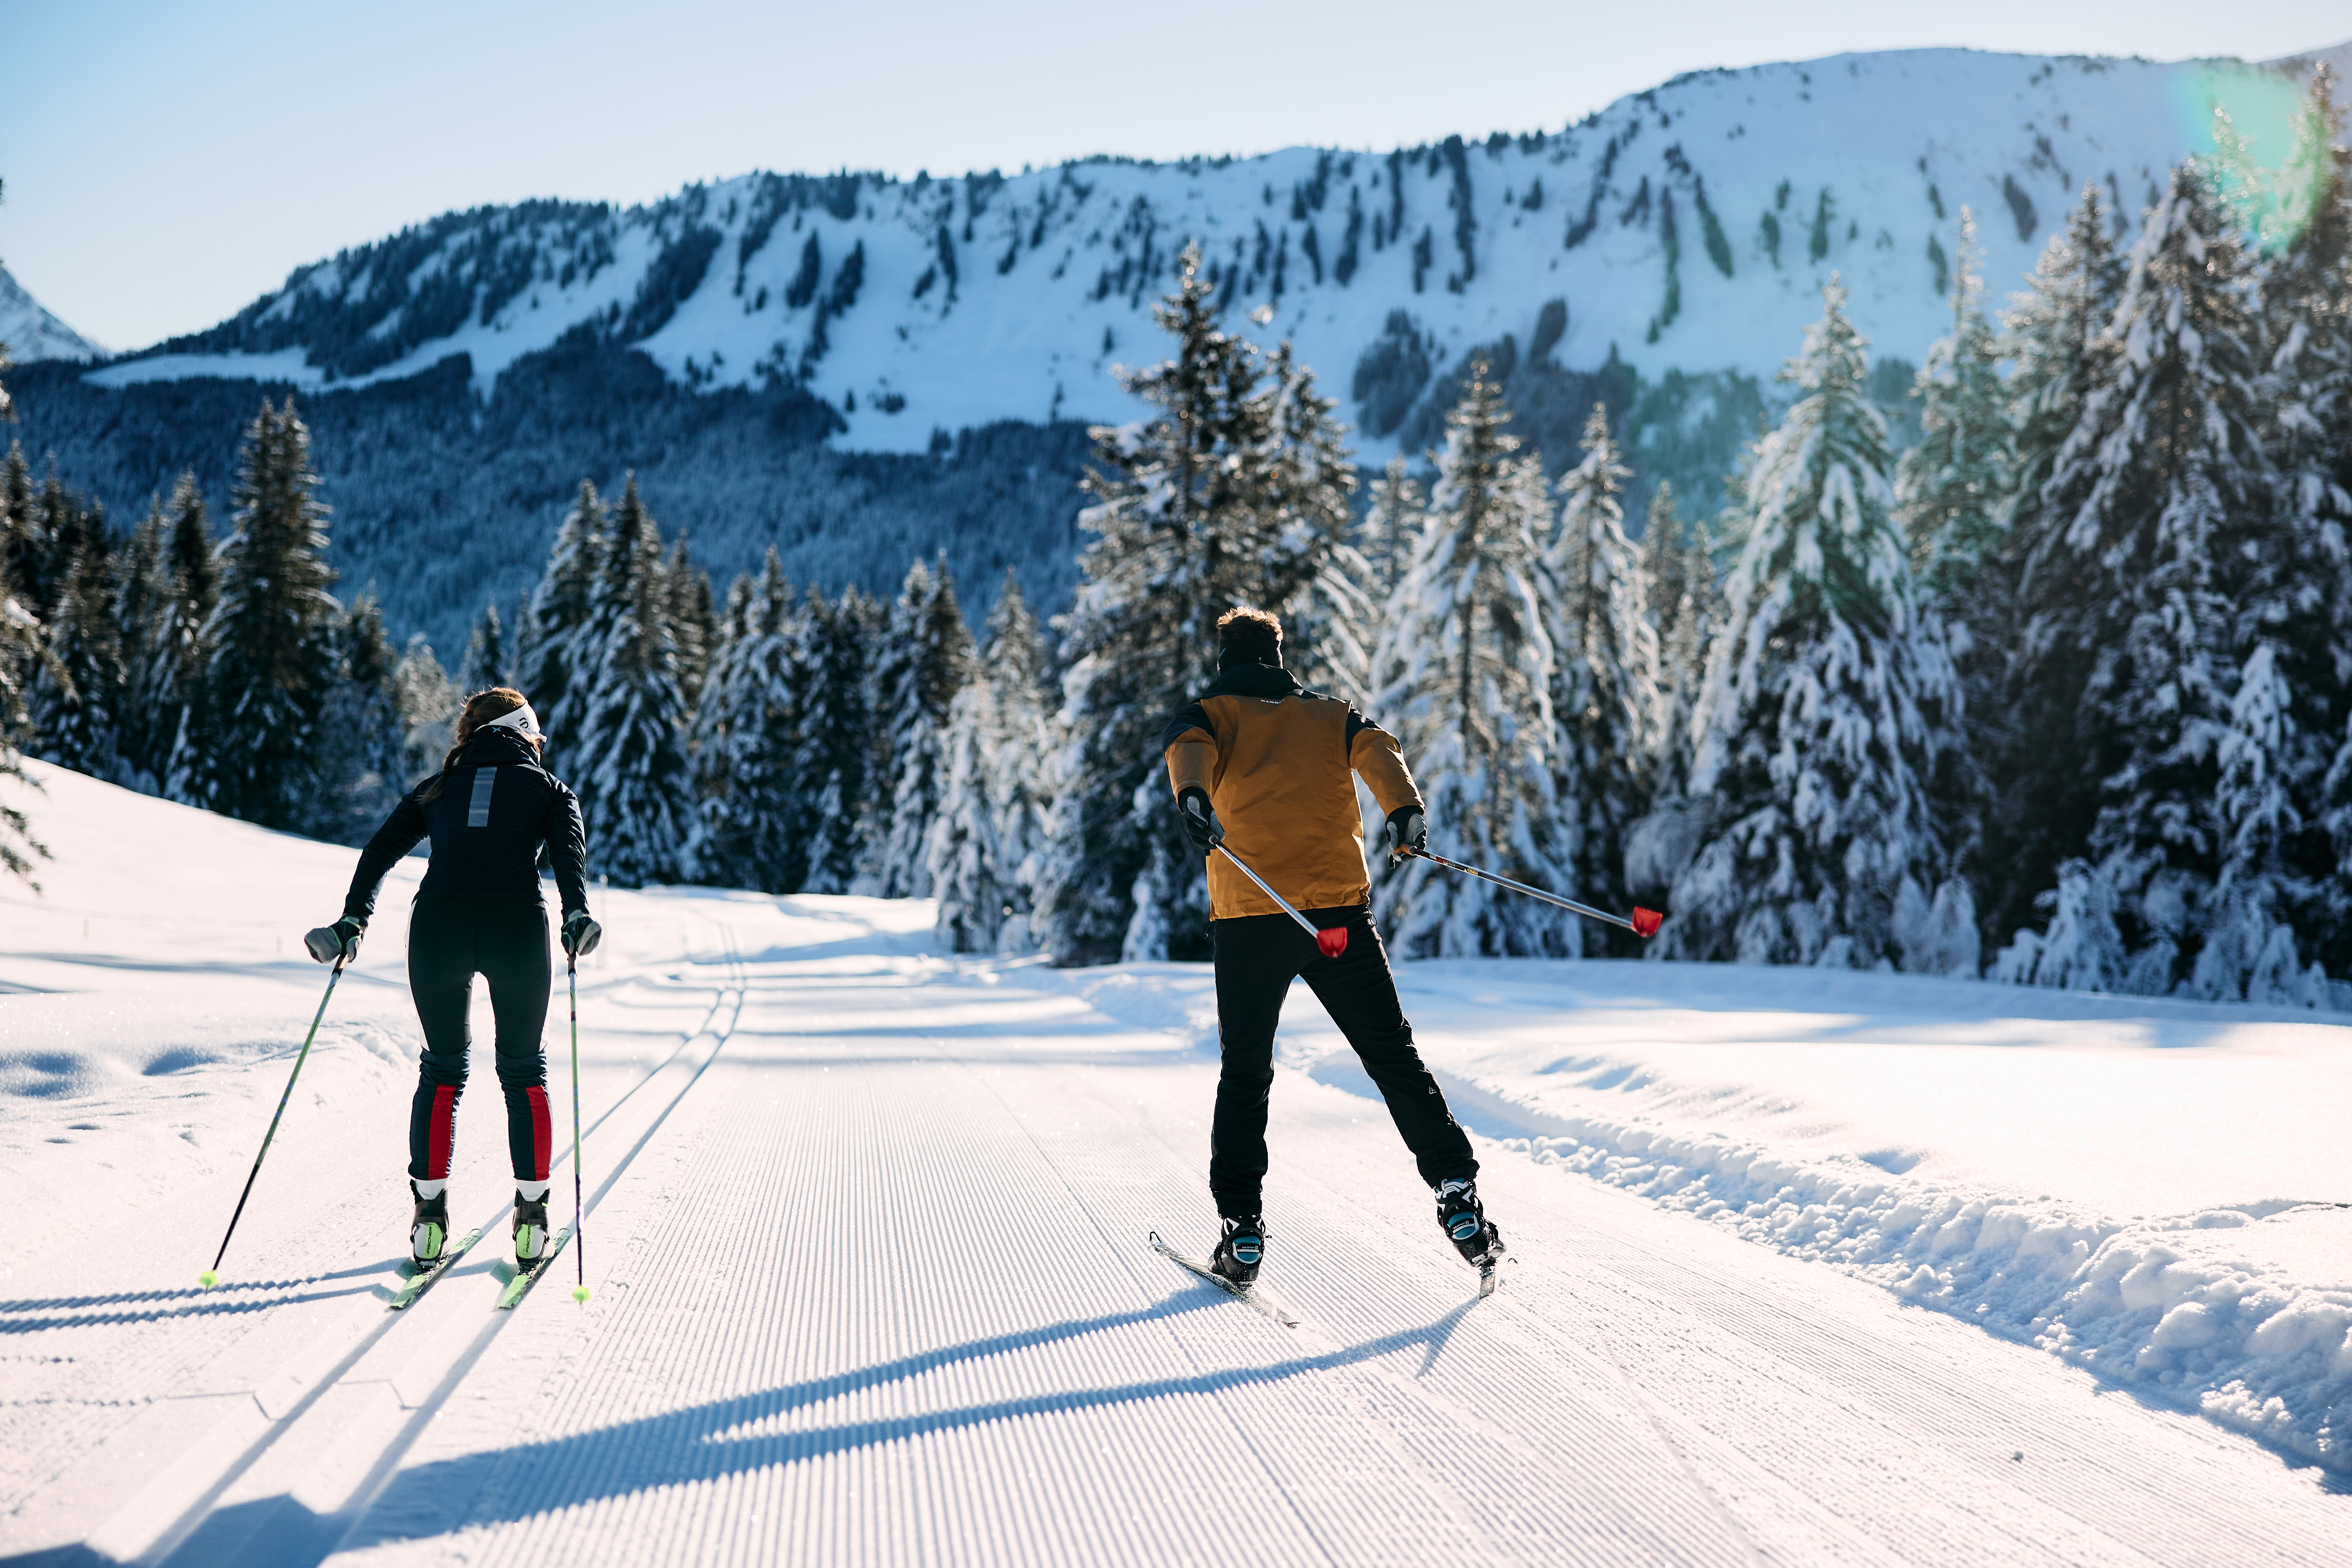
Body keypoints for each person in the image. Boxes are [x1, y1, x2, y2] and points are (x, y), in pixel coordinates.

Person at [1159, 606, 1503, 1286]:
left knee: (1247, 1073)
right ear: (1279, 656)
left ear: (1227, 657)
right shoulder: (1330, 714)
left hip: (1253, 918)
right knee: (1393, 1059)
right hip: (1338, 916)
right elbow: (1381, 749)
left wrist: (1194, 799)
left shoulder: (1208, 713)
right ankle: (1457, 1195)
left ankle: (1243, 1230)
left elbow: (1187, 751)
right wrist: (1404, 814)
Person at [304, 687, 602, 1272]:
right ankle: (534, 1224)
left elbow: (379, 853)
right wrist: (575, 917)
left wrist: (353, 922)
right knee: (523, 1073)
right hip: (516, 926)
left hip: (437, 925)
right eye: (537, 739)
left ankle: (429, 1224)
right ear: (525, 733)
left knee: (442, 1072)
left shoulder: (437, 787)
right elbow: (569, 861)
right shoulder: (550, 790)